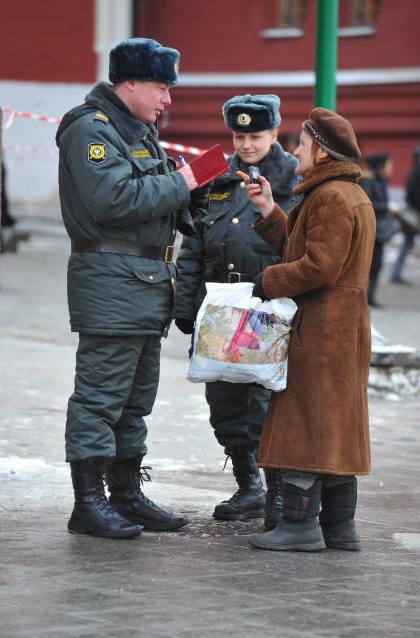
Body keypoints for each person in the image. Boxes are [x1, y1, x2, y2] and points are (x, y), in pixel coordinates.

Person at [56, 38, 199, 539]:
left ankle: (127, 495)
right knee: (100, 398)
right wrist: (186, 181)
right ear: (129, 83)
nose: (167, 99)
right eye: (161, 87)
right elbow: (113, 199)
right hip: (112, 284)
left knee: (135, 400)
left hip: (145, 287)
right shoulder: (90, 130)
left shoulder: (137, 132)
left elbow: (158, 199)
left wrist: (202, 194)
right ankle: (89, 504)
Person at [237, 107, 375, 552]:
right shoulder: (340, 194)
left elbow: (320, 266)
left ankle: (299, 528)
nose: (295, 150)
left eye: (302, 143)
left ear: (322, 150)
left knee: (306, 425)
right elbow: (307, 248)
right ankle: (339, 528)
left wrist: (266, 281)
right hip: (337, 328)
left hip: (322, 330)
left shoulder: (333, 196)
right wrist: (270, 211)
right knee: (334, 427)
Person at [174, 94, 300, 524]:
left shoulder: (296, 182)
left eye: (256, 136)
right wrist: (185, 307)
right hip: (219, 309)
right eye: (239, 135)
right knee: (224, 403)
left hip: (270, 309)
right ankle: (249, 488)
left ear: (274, 133)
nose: (246, 144)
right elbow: (192, 248)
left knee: (266, 403)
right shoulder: (215, 180)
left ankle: (279, 494)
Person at [359, 152, 395, 307]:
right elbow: (368, 204)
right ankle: (364, 297)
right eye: (389, 164)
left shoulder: (381, 180)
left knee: (377, 264)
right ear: (381, 166)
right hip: (371, 229)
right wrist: (386, 207)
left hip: (379, 230)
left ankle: (370, 296)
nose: (391, 168)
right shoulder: (368, 181)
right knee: (369, 265)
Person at [390, 144, 420, 284]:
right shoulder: (416, 172)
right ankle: (396, 274)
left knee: (406, 244)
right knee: (406, 244)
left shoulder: (414, 171)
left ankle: (396, 273)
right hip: (414, 215)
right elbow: (413, 194)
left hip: (414, 214)